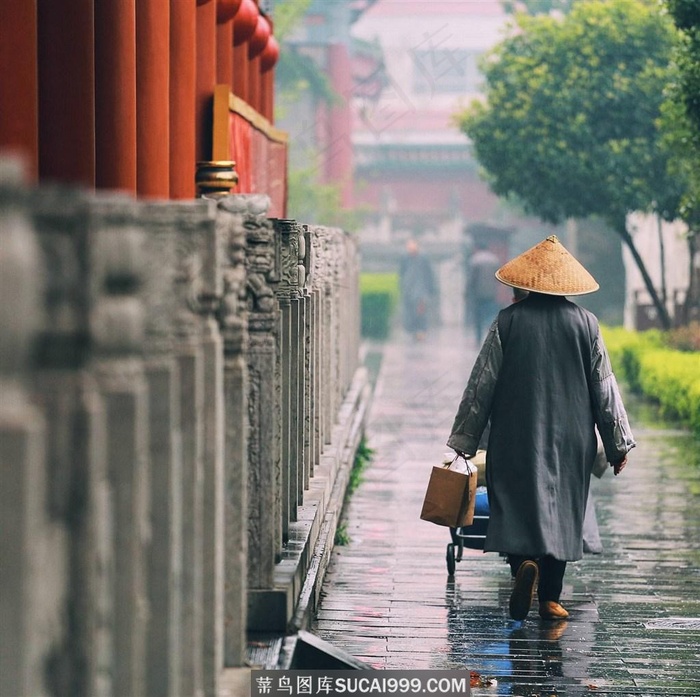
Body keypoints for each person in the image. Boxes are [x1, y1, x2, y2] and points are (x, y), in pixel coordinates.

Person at [447, 235, 635, 621]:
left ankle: (521, 568)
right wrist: (618, 446)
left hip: (515, 434)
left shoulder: (507, 322)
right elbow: (604, 387)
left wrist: (465, 440)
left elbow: (482, 383)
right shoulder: (586, 324)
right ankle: (550, 597)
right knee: (562, 509)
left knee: (515, 502)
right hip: (572, 439)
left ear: (525, 284)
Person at [399, 239, 436, 340]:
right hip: (409, 289)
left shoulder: (424, 258)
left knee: (421, 311)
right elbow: (402, 274)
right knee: (410, 312)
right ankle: (414, 331)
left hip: (421, 290)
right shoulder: (405, 258)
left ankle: (421, 330)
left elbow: (429, 274)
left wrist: (430, 289)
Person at [467, 240, 502, 344]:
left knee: (478, 316)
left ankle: (478, 338)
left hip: (478, 293)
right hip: (491, 293)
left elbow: (472, 279)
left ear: (478, 248)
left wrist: (468, 292)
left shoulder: (474, 260)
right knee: (490, 315)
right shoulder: (494, 259)